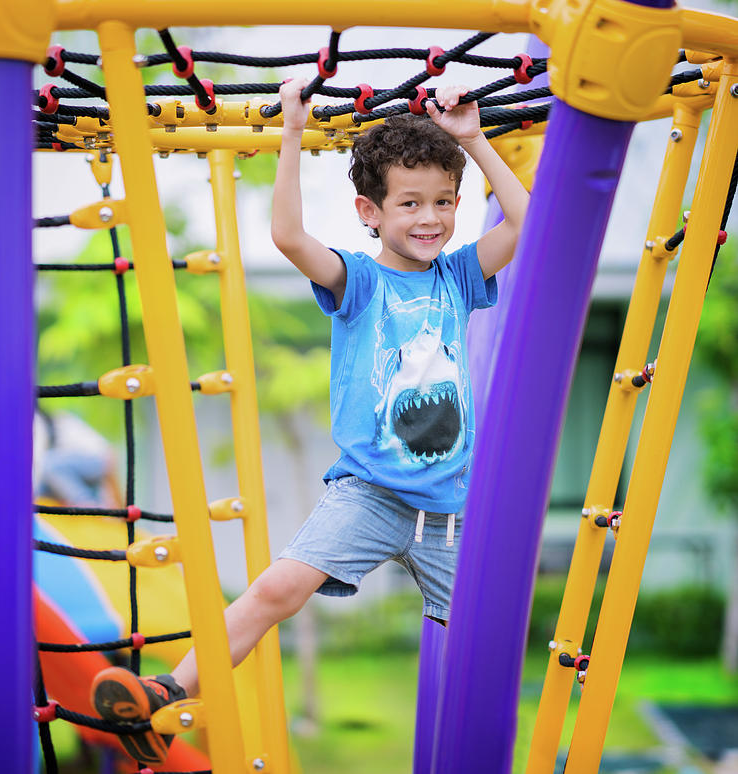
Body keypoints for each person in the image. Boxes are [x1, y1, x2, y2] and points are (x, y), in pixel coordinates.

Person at [90, 78, 530, 765]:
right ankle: (162, 696)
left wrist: (472, 140)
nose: (431, 219)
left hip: (451, 509)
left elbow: (524, 221)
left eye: (444, 202)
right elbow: (288, 235)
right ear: (370, 211)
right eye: (410, 203)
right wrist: (292, 131)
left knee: (485, 644)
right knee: (275, 588)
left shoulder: (458, 278)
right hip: (370, 493)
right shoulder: (359, 281)